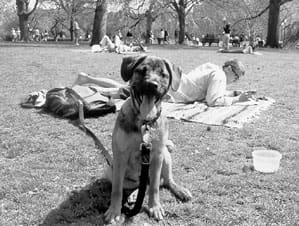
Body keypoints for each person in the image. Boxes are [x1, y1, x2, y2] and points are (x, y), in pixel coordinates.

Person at [72, 59, 254, 107]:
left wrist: (234, 94)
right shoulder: (220, 76)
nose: (235, 80)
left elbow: (209, 92)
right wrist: (238, 101)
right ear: (229, 69)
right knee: (123, 92)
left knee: (125, 88)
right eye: (236, 76)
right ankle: (88, 86)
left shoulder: (212, 68)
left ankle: (87, 79)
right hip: (172, 90)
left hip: (174, 83)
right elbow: (213, 101)